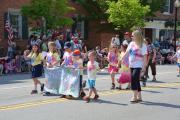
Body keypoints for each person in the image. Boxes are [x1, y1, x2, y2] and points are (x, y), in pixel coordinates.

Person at [122, 30, 147, 103]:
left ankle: (134, 96)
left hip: (138, 65)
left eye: (133, 35)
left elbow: (145, 57)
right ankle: (139, 96)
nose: (131, 37)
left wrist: (144, 67)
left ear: (137, 36)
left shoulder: (142, 45)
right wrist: (121, 59)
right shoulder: (131, 44)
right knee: (136, 80)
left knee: (133, 79)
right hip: (131, 64)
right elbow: (127, 52)